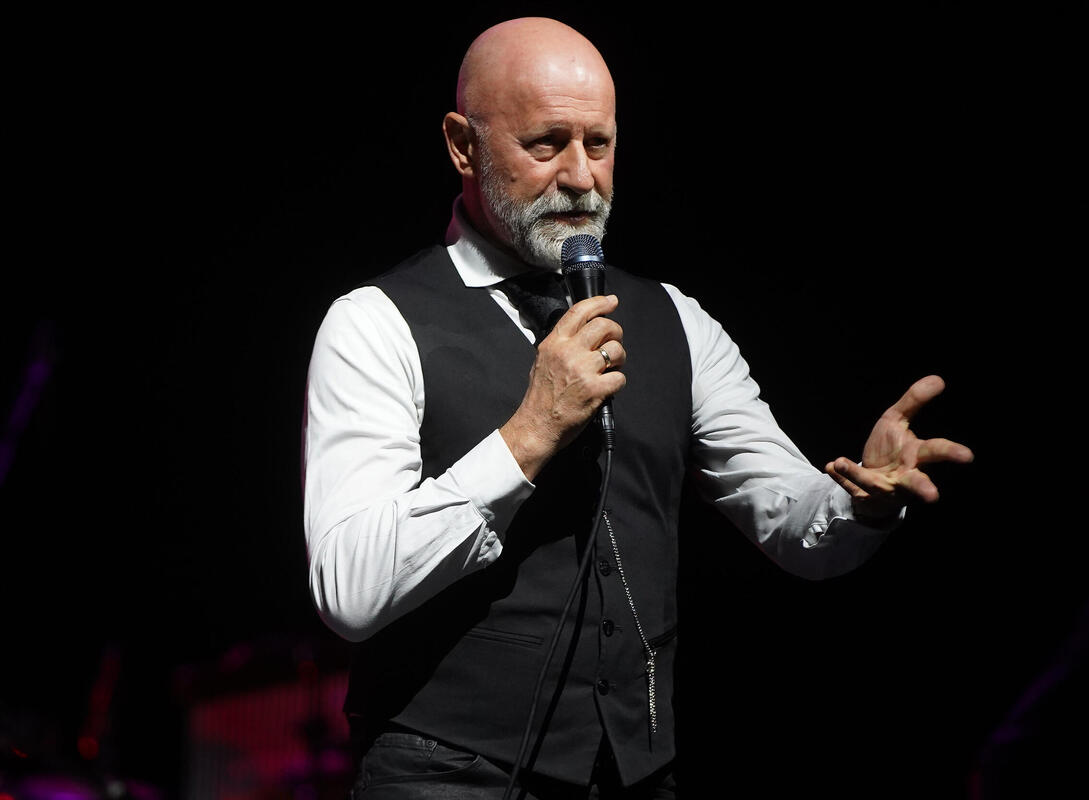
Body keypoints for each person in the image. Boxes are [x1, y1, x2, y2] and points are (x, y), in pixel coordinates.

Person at [302, 17, 973, 799]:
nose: (581, 176)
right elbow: (349, 590)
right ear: (462, 145)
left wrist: (863, 503)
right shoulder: (375, 323)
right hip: (443, 773)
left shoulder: (674, 321)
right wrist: (529, 434)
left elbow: (793, 522)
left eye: (600, 143)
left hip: (635, 774)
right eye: (546, 144)